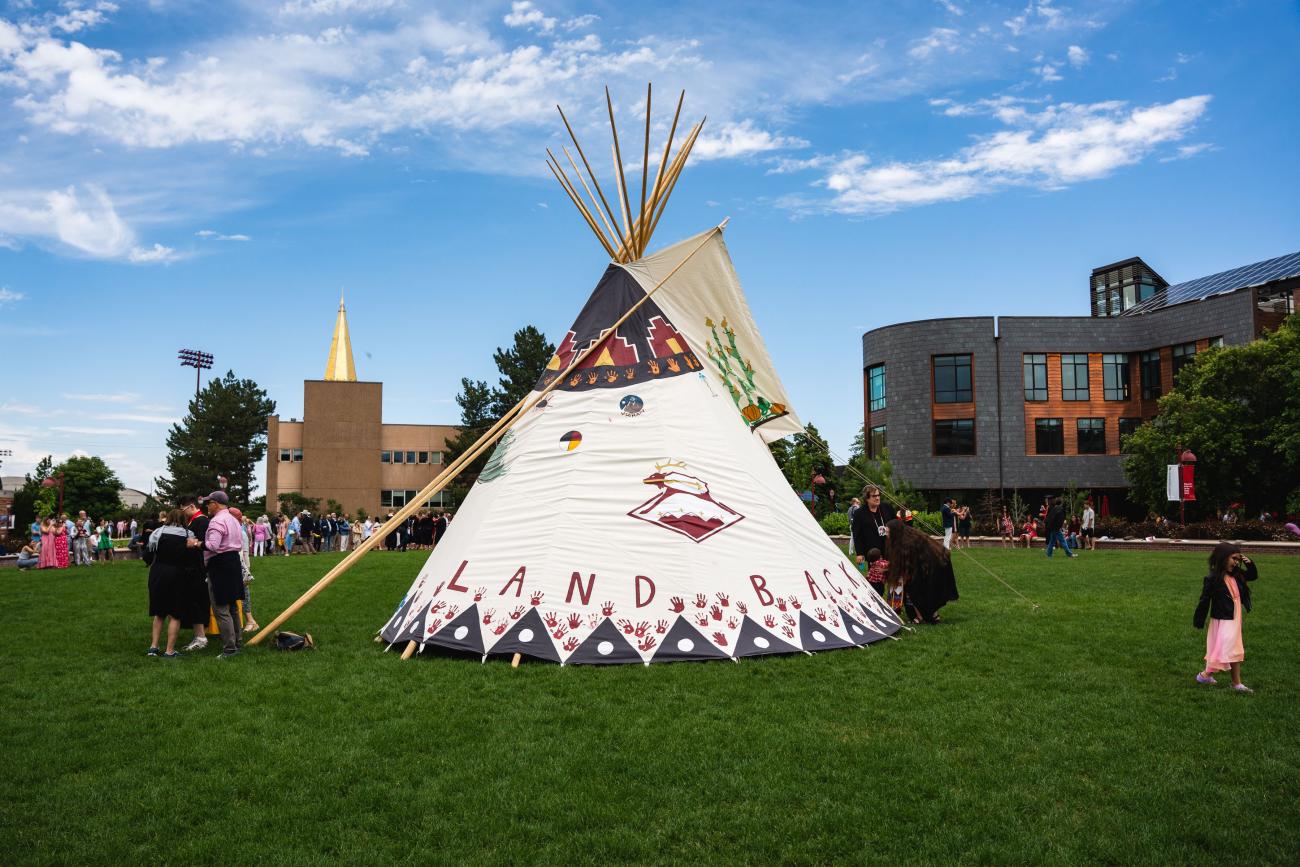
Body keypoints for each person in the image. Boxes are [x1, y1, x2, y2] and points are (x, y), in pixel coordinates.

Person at [1194, 543, 1259, 692]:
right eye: (1233, 558)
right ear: (1223, 558)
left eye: (1238, 559)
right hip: (1222, 618)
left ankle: (1206, 676)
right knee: (1229, 648)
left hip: (1234, 617)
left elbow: (1253, 576)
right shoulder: (1213, 578)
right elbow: (1204, 599)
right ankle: (1234, 683)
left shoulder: (1237, 575)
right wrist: (1199, 618)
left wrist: (1250, 564)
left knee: (1228, 648)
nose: (1236, 562)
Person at [191, 491, 243, 659]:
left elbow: (213, 545)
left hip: (220, 564)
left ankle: (229, 648)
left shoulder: (217, 521)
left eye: (209, 502)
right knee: (233, 606)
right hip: (233, 562)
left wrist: (196, 543)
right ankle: (237, 642)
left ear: (216, 503)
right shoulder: (233, 519)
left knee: (221, 608)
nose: (207, 505)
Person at [885, 519, 958, 624]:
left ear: (895, 531)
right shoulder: (905, 536)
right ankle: (925, 615)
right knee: (916, 590)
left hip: (935, 565)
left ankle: (926, 616)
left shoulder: (908, 542)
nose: (886, 534)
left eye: (888, 531)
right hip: (929, 564)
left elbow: (908, 565)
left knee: (920, 591)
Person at [143, 509, 193, 658]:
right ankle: (169, 650)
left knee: (159, 613)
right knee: (175, 614)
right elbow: (191, 558)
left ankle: (154, 647)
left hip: (158, 573)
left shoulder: (157, 533)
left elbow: (147, 556)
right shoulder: (187, 535)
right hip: (178, 574)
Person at [178, 496, 211, 652]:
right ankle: (198, 635)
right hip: (191, 568)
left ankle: (201, 637)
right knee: (192, 601)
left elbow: (205, 545)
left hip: (197, 569)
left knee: (197, 602)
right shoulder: (194, 521)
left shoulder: (202, 521)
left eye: (183, 509)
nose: (182, 513)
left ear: (191, 506)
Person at [227, 507, 260, 633]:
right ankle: (248, 621)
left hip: (240, 568)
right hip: (236, 567)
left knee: (244, 595)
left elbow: (245, 554)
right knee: (239, 596)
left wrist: (246, 573)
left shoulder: (241, 533)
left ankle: (251, 621)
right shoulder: (237, 530)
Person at [850, 486, 896, 559]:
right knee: (876, 570)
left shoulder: (887, 507)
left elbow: (896, 525)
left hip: (890, 549)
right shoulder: (859, 513)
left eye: (878, 495)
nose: (877, 498)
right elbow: (857, 534)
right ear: (867, 498)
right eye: (874, 496)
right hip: (872, 552)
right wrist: (859, 553)